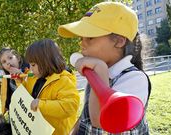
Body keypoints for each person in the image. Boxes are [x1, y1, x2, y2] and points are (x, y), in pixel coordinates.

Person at [58, 2, 151, 134]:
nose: (82, 44)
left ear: (119, 41)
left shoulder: (135, 79)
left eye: (90, 37)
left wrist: (100, 69)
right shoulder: (94, 72)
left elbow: (98, 121)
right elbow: (87, 114)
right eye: (81, 38)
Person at [23, 39, 80, 135]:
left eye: (33, 65)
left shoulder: (63, 81)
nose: (30, 68)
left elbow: (70, 106)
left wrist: (41, 105)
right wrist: (19, 82)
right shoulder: (34, 78)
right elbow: (27, 94)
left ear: (46, 62)